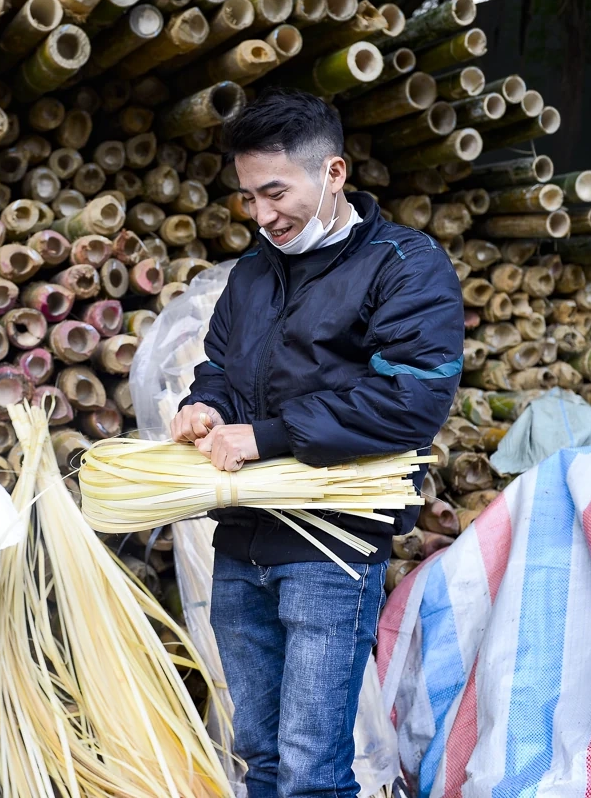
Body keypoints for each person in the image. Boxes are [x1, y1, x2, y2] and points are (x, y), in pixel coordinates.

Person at [171, 89, 464, 798]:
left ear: (333, 173)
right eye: (248, 198)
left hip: (330, 548)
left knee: (310, 770)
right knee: (261, 756)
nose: (263, 215)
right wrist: (203, 406)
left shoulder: (404, 264)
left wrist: (264, 437)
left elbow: (411, 399)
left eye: (275, 192)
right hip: (242, 541)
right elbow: (222, 367)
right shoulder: (252, 273)